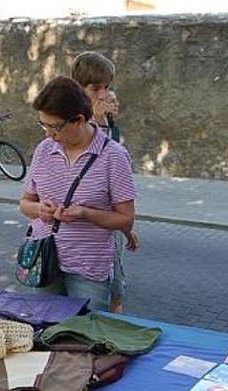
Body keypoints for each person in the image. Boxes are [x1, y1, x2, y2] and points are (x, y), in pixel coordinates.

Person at [19, 76, 136, 312]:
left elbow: (126, 218)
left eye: (55, 127)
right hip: (44, 261)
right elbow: (25, 203)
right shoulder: (44, 150)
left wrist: (85, 213)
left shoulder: (114, 156)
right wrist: (40, 210)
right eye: (43, 125)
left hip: (89, 269)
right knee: (45, 331)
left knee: (87, 338)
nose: (48, 134)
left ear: (79, 120)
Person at [70, 51, 138, 313]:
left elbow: (111, 178)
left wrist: (124, 226)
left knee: (116, 293)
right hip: (84, 242)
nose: (103, 94)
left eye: (107, 87)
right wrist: (97, 121)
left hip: (107, 225)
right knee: (100, 299)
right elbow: (81, 181)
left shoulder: (103, 125)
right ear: (79, 89)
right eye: (95, 88)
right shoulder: (73, 127)